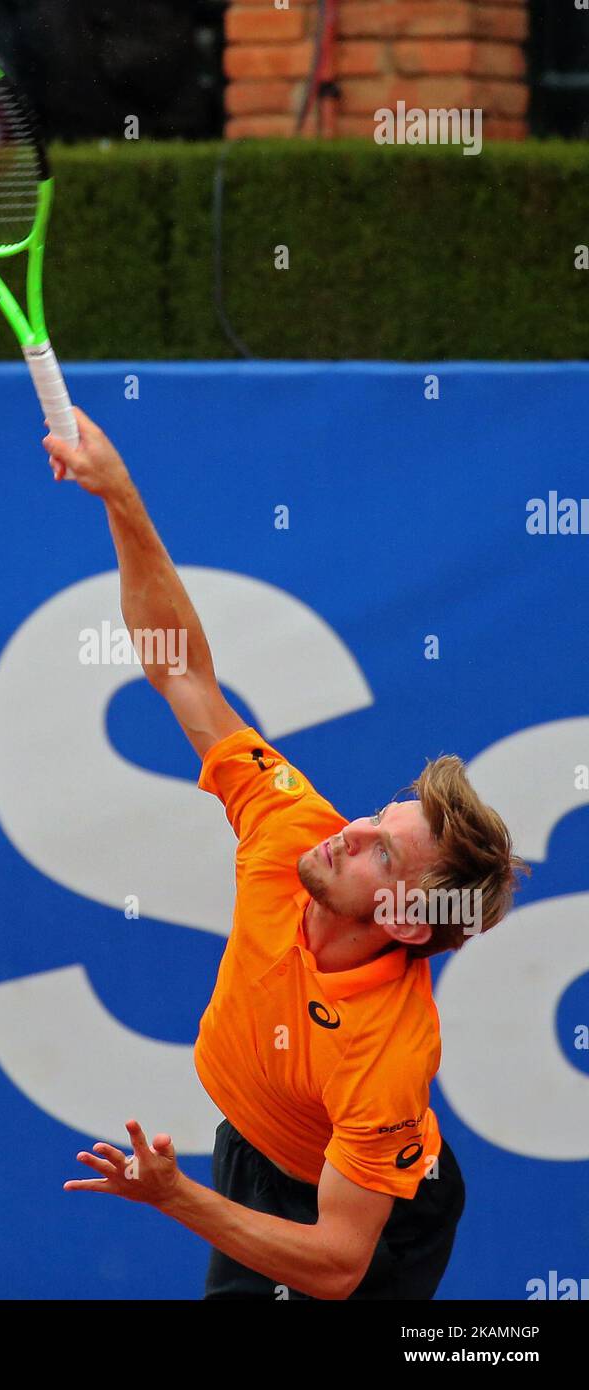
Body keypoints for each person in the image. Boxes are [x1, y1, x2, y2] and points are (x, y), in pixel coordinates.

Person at [45, 408, 529, 1300]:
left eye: (382, 854)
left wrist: (179, 1199)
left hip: (370, 1224)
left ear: (405, 922)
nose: (349, 833)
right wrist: (120, 497)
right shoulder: (290, 827)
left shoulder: (388, 1053)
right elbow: (180, 670)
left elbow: (340, 1263)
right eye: (376, 819)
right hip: (259, 1146)